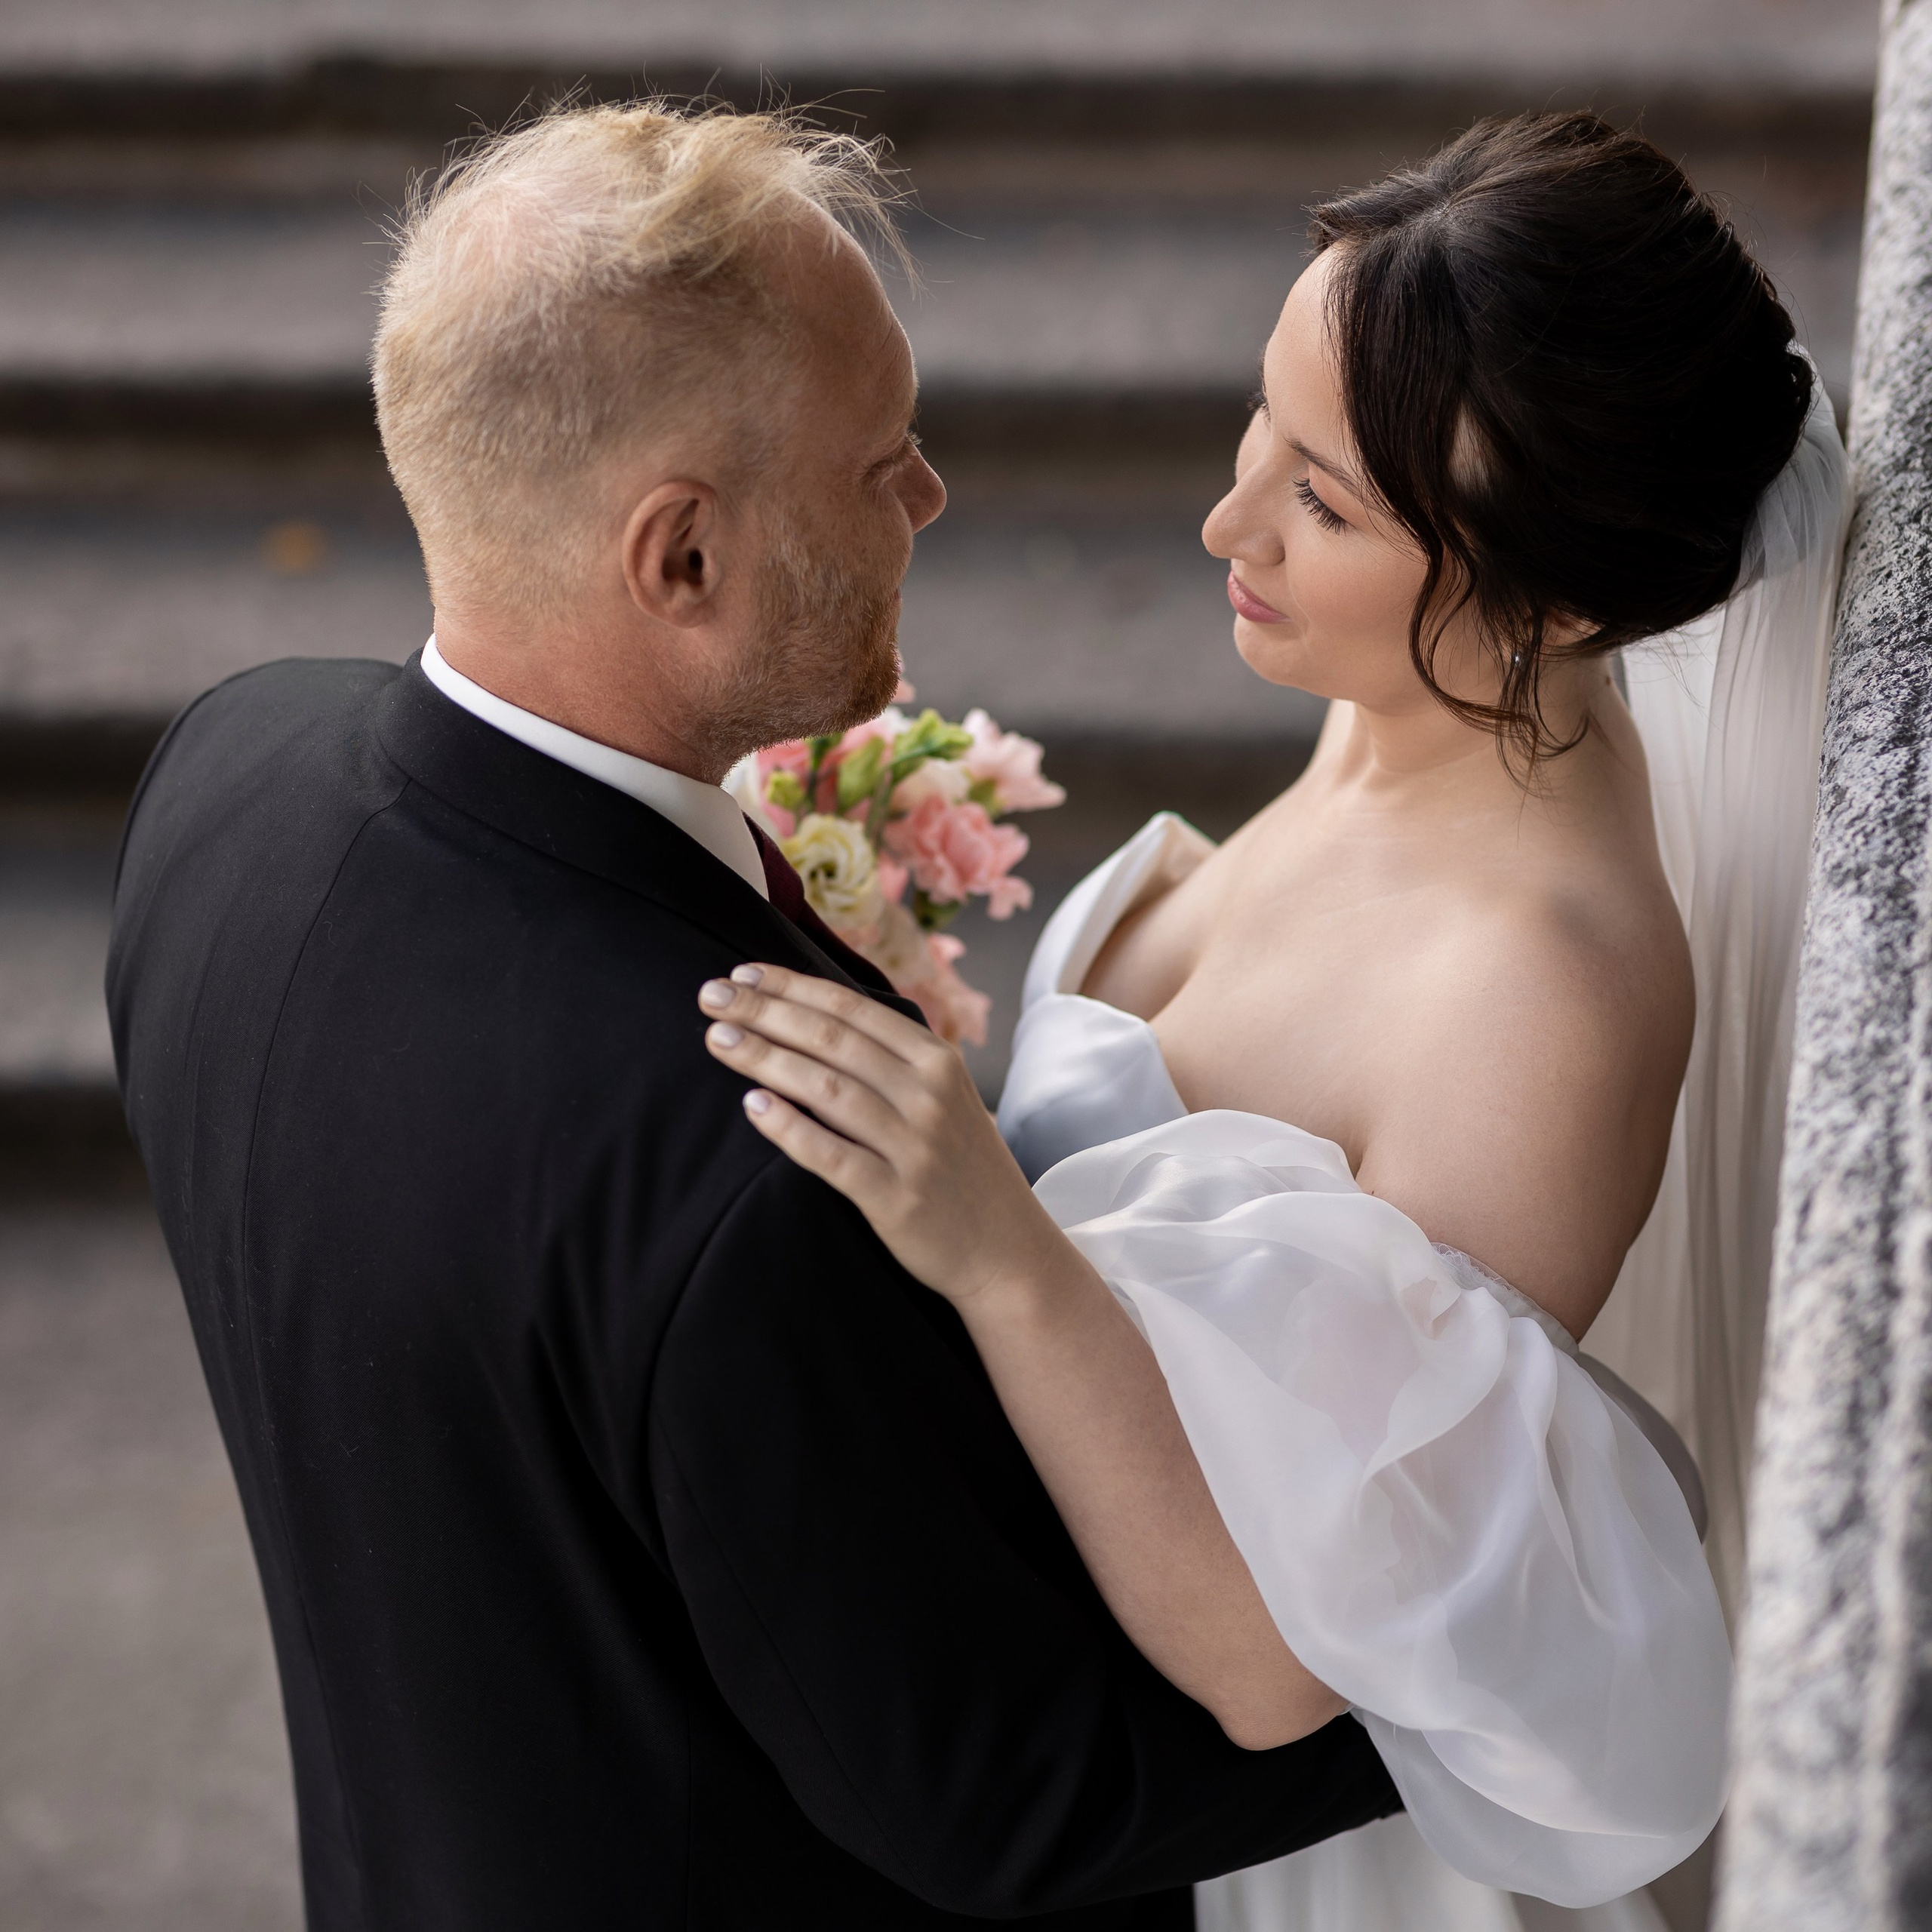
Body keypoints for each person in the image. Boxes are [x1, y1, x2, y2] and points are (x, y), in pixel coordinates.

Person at [103, 104, 1403, 1931]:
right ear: (681, 559)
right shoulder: (743, 1158)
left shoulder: (222, 786)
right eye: (877, 460)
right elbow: (1001, 1799)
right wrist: (1465, 1671)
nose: (929, 495)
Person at [696, 114, 1848, 1931]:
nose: (1229, 519)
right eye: (1264, 426)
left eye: (1322, 503)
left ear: (1554, 600)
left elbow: (1267, 1654)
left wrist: (996, 1243)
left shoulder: (1535, 991)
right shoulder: (1409, 707)